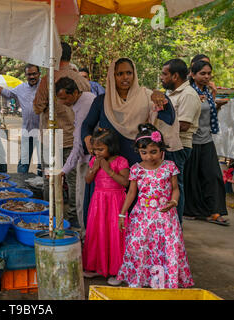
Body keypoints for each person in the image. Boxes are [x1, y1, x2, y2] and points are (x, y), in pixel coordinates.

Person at [81, 57, 176, 228]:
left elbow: (168, 117)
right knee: (103, 208)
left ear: (134, 74)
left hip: (135, 160)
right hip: (107, 163)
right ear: (112, 76)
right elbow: (87, 125)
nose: (125, 77)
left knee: (133, 204)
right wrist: (87, 138)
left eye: (129, 73)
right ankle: (104, 241)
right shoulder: (102, 101)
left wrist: (161, 99)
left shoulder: (147, 97)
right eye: (120, 74)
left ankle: (131, 243)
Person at [116, 124, 194, 288]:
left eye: (153, 152)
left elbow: (175, 189)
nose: (149, 157)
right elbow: (131, 193)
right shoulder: (136, 169)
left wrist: (173, 202)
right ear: (139, 152)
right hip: (142, 217)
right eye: (144, 153)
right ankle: (140, 278)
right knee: (140, 246)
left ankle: (165, 280)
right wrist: (122, 214)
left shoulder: (169, 167)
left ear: (161, 150)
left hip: (165, 217)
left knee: (165, 248)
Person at [33, 42, 91, 225]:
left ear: (54, 56)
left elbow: (37, 107)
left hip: (52, 138)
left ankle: (50, 216)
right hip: (75, 138)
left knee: (50, 179)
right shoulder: (81, 80)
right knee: (75, 182)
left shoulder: (48, 79)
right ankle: (74, 219)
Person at [183, 60, 229, 226]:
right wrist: (196, 102)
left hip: (206, 139)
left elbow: (209, 116)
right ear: (193, 74)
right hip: (192, 140)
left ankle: (215, 212)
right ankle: (191, 210)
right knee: (192, 177)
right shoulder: (188, 92)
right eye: (202, 73)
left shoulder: (208, 92)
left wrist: (215, 102)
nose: (207, 76)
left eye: (208, 73)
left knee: (213, 176)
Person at [82, 128, 129, 285]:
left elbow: (125, 182)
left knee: (115, 234)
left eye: (100, 149)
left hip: (116, 202)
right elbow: (88, 180)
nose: (97, 153)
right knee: (98, 232)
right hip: (98, 202)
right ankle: (97, 267)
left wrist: (108, 170)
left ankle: (118, 271)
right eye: (95, 149)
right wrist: (94, 168)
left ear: (111, 146)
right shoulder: (94, 160)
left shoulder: (121, 161)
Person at [160, 58, 202, 225]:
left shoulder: (188, 95)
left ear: (175, 76)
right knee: (167, 187)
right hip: (169, 145)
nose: (162, 77)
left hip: (178, 146)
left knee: (175, 187)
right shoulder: (172, 93)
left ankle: (175, 227)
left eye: (164, 74)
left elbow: (184, 125)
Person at [55, 77, 96, 231]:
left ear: (74, 93)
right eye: (59, 99)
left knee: (82, 199)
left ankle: (86, 234)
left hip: (88, 158)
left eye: (64, 98)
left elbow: (78, 144)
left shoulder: (84, 105)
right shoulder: (83, 99)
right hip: (86, 156)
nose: (62, 102)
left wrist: (63, 171)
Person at [0, 64, 42, 176]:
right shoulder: (21, 88)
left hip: (44, 132)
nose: (32, 76)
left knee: (43, 163)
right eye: (29, 74)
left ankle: (43, 187)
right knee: (24, 161)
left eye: (34, 74)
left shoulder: (46, 87)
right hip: (27, 130)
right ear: (25, 75)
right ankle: (20, 184)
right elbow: (7, 93)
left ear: (39, 74)